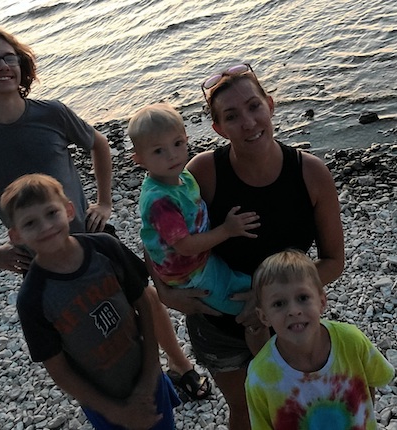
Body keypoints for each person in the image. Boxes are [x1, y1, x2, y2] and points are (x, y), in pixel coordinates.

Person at [0, 27, 208, 401]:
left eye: (9, 56)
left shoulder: (52, 114)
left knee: (143, 298)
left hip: (93, 241)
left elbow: (100, 144)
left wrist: (104, 201)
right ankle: (117, 395)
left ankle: (180, 367)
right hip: (41, 259)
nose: (2, 65)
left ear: (21, 64)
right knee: (82, 328)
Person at [152, 63, 345, 429]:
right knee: (245, 413)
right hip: (218, 327)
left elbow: (334, 262)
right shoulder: (203, 172)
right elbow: (158, 232)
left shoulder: (311, 173)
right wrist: (165, 293)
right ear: (218, 128)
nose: (248, 122)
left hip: (292, 322)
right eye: (231, 116)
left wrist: (267, 296)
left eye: (254, 106)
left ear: (270, 105)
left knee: (300, 408)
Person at [0, 173, 181, 429]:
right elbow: (59, 370)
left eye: (52, 213)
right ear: (16, 236)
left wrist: (151, 372)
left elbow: (145, 303)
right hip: (104, 401)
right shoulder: (32, 299)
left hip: (147, 376)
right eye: (31, 223)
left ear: (69, 210)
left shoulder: (106, 248)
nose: (46, 227)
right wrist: (115, 412)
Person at [128, 103, 269, 356]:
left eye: (177, 144)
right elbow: (184, 245)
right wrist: (227, 230)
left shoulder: (183, 176)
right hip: (190, 273)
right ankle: (266, 358)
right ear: (138, 159)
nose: (172, 155)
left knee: (255, 285)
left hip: (202, 260)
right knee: (250, 311)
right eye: (158, 151)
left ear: (186, 139)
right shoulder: (160, 200)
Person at [246, 249, 394, 429]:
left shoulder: (352, 341)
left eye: (302, 298)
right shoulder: (260, 377)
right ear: (263, 317)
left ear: (322, 302)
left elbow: (371, 382)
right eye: (279, 303)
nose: (294, 310)